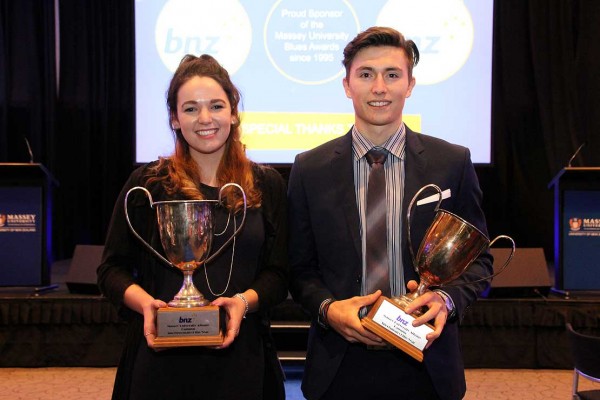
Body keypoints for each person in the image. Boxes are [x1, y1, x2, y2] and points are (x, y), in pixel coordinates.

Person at [287, 27, 494, 400]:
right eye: (366, 74)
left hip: (427, 365)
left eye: (392, 75)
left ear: (410, 84)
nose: (379, 87)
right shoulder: (310, 169)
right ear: (347, 85)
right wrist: (329, 309)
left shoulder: (453, 163)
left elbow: (479, 260)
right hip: (340, 365)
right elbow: (299, 268)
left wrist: (445, 300)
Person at [97, 54, 288, 400]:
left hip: (242, 360)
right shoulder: (147, 184)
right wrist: (147, 305)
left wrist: (243, 303)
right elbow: (111, 269)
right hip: (160, 363)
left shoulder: (267, 185)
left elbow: (279, 273)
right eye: (190, 109)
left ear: (233, 112)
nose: (205, 119)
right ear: (174, 118)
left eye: (216, 106)